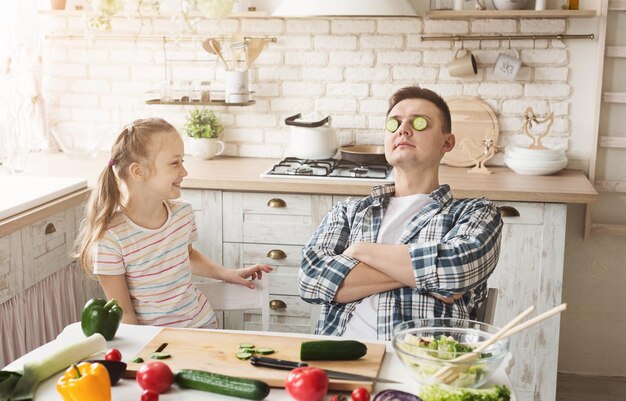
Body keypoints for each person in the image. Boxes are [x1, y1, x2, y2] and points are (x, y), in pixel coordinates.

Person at [299, 86, 503, 340]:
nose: (403, 129)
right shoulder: (348, 212)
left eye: (420, 123)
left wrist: (359, 251)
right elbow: (311, 279)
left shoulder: (475, 213)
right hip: (339, 359)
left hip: (423, 364)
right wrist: (428, 277)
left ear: (447, 142)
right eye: (394, 123)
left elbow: (457, 269)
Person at [76, 117, 272, 328]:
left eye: (183, 162)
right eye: (174, 163)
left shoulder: (182, 214)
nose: (184, 171)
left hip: (202, 326)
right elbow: (126, 317)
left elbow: (186, 255)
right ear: (138, 171)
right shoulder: (111, 237)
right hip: (154, 344)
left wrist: (226, 273)